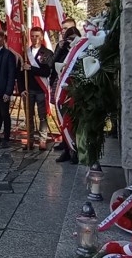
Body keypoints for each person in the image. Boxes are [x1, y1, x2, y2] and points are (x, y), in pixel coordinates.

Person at [19, 27, 54, 151]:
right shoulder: (25, 52)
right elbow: (20, 73)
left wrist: (31, 68)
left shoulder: (47, 53)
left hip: (41, 89)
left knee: (42, 116)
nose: (35, 39)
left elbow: (47, 72)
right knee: (29, 116)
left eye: (37, 36)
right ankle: (30, 139)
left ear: (42, 36)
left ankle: (42, 140)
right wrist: (21, 88)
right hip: (28, 89)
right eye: (32, 36)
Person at [55, 26, 82, 164]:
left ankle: (76, 150)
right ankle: (67, 150)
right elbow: (52, 65)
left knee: (74, 123)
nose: (71, 41)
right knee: (63, 121)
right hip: (62, 90)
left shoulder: (81, 50)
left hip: (75, 90)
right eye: (68, 39)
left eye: (73, 38)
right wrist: (61, 48)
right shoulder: (62, 48)